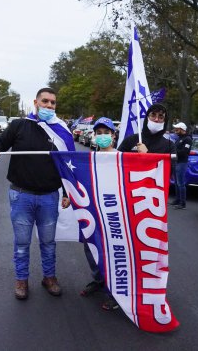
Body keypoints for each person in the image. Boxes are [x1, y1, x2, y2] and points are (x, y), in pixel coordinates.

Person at [0, 87, 75, 300]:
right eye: (45, 101)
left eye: (53, 103)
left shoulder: (60, 131)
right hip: (21, 195)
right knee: (22, 243)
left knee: (48, 242)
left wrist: (66, 191)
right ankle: (21, 280)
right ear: (35, 102)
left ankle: (49, 278)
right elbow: (1, 142)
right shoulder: (19, 125)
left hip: (48, 197)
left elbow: (67, 164)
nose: (49, 106)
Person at [80, 117, 119, 311]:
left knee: (113, 251)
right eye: (99, 133)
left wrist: (144, 155)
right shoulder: (90, 158)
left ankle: (115, 291)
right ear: (94, 136)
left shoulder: (122, 158)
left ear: (113, 135)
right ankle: (98, 280)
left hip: (114, 214)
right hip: (94, 212)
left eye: (107, 132)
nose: (103, 136)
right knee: (91, 247)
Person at [170, 122, 193, 210]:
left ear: (182, 129)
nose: (175, 130)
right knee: (176, 182)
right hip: (176, 162)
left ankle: (182, 203)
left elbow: (185, 152)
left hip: (182, 163)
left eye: (177, 129)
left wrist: (174, 152)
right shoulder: (179, 138)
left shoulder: (187, 139)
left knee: (181, 183)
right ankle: (177, 199)